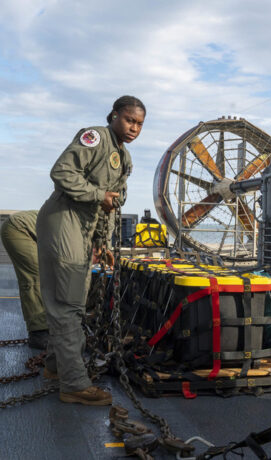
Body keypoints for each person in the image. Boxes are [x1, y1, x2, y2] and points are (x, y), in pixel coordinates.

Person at [37, 96, 146, 406]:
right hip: (64, 220)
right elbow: (61, 172)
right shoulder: (96, 138)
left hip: (84, 229)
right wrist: (98, 194)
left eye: (139, 124)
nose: (134, 128)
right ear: (114, 116)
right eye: (129, 120)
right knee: (67, 304)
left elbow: (109, 207)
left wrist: (102, 243)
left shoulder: (123, 157)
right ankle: (73, 384)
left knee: (74, 299)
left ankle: (56, 367)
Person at [0, 210, 50, 349]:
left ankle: (47, 325)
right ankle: (38, 333)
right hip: (18, 228)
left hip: (30, 230)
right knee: (36, 277)